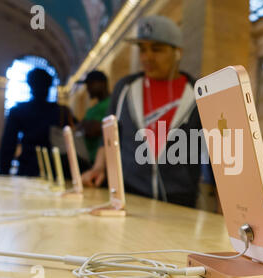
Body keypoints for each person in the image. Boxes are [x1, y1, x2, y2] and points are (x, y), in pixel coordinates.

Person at [82, 15, 204, 208]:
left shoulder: (198, 93)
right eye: (142, 49)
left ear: (178, 52)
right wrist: (99, 167)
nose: (147, 57)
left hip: (179, 200)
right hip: (131, 194)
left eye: (156, 49)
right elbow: (109, 135)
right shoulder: (125, 89)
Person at [0, 68, 75, 176]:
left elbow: (8, 144)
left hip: (33, 168)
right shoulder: (61, 111)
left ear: (30, 85)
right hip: (54, 169)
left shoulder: (19, 110)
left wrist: (3, 172)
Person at [76, 70, 111, 164]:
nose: (87, 88)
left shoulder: (112, 104)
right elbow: (80, 128)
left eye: (90, 84)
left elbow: (96, 130)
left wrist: (89, 126)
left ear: (102, 83)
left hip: (106, 160)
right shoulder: (92, 109)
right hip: (90, 159)